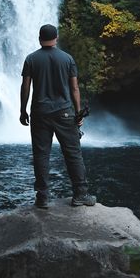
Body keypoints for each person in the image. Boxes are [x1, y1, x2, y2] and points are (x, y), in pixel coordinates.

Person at [19, 23, 96, 209]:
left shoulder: (31, 59)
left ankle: (43, 197)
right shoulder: (67, 59)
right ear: (57, 38)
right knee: (73, 153)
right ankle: (80, 194)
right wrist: (78, 113)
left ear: (39, 39)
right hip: (64, 112)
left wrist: (23, 110)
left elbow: (26, 86)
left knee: (41, 154)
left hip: (40, 112)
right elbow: (75, 88)